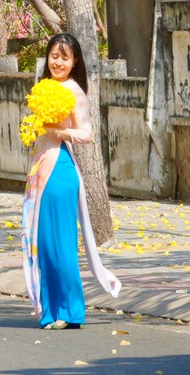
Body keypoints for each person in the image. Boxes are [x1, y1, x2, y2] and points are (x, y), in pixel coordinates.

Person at [21, 33, 120, 328]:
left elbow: (87, 134)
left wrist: (57, 131)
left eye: (65, 57)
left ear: (74, 61)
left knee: (61, 244)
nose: (58, 62)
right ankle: (51, 312)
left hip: (61, 171)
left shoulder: (75, 92)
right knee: (45, 245)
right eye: (54, 55)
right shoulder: (44, 88)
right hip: (41, 168)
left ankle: (71, 311)